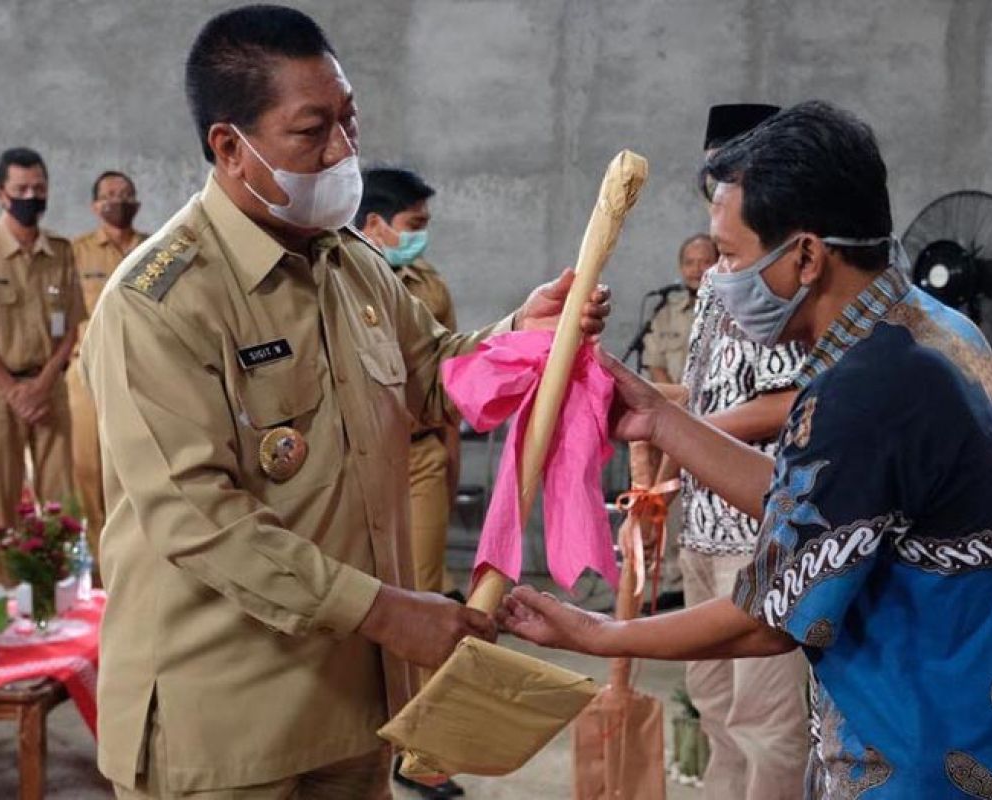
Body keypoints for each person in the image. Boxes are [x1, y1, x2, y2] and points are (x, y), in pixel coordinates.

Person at [79, 6, 608, 799]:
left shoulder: (352, 264)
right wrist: (391, 612)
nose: (343, 150)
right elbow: (198, 517)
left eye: (350, 120)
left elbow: (432, 372)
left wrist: (520, 337)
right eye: (312, 130)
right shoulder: (161, 301)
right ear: (231, 147)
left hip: (352, 704)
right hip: (224, 718)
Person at [499, 101, 992, 798]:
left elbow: (766, 621)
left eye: (731, 257)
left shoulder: (867, 388)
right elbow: (825, 504)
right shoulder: (923, 332)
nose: (717, 281)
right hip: (978, 737)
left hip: (923, 760)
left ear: (804, 255)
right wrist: (655, 416)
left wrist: (594, 634)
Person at [658, 102, 811, 799]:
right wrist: (664, 474)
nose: (719, 185)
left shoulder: (785, 276)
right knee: (714, 703)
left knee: (767, 722)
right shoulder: (722, 277)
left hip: (761, 532)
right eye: (713, 172)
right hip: (703, 523)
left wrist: (696, 429)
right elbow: (704, 395)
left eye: (736, 171)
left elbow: (793, 401)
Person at [0, 147, 85, 586]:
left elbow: (70, 331)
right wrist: (15, 392)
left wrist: (40, 387)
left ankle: (57, 596)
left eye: (39, 189)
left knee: (61, 501)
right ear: (1, 194)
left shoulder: (60, 252)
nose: (31, 196)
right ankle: (5, 603)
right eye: (21, 189)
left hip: (49, 386)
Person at [356, 167, 461, 601]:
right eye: (412, 226)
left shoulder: (430, 285)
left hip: (419, 455)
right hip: (355, 456)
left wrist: (449, 459)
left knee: (424, 593)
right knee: (359, 592)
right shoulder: (334, 280)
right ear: (375, 223)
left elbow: (450, 375)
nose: (421, 238)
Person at [69, 170, 148, 580]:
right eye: (109, 195)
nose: (118, 201)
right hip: (86, 376)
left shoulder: (156, 249)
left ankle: (135, 571)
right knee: (89, 472)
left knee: (138, 473)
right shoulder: (75, 253)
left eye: (126, 194)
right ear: (93, 205)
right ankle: (98, 576)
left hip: (142, 375)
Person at [640, 233, 716, 385]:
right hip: (672, 404)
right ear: (681, 267)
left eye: (705, 262)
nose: (696, 269)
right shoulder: (664, 313)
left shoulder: (731, 314)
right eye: (689, 263)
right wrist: (678, 405)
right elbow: (655, 365)